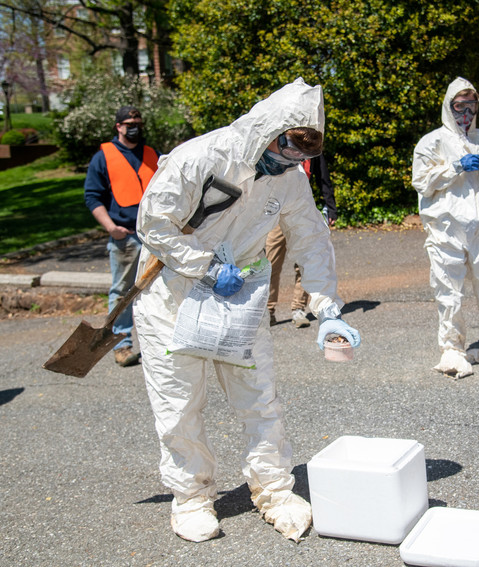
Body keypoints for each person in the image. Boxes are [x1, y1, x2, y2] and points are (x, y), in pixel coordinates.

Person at [132, 78, 360, 544]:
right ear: (267, 129)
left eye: (301, 157)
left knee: (260, 399)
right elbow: (153, 222)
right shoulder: (200, 157)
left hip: (239, 299)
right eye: (286, 149)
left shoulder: (290, 180)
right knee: (178, 405)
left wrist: (325, 306)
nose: (291, 162)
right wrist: (204, 265)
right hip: (172, 298)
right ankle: (191, 497)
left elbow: (311, 238)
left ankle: (274, 489)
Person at [411, 77, 479, 380]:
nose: (465, 116)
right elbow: (422, 183)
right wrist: (455, 166)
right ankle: (452, 349)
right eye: (459, 107)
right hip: (446, 229)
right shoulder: (432, 142)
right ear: (448, 108)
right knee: (448, 290)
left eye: (471, 107)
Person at [84, 105, 158, 367]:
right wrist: (110, 227)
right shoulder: (104, 157)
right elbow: (92, 196)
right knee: (122, 292)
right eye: (129, 122)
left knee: (159, 290)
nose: (134, 125)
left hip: (153, 235)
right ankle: (122, 345)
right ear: (118, 126)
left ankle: (157, 344)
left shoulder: (152, 155)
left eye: (138, 121)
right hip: (124, 236)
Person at [265, 154, 337, 328]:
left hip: (302, 214)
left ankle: (298, 309)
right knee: (270, 264)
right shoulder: (276, 146)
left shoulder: (313, 150)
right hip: (275, 214)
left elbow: (323, 178)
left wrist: (331, 207)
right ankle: (268, 311)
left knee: (304, 264)